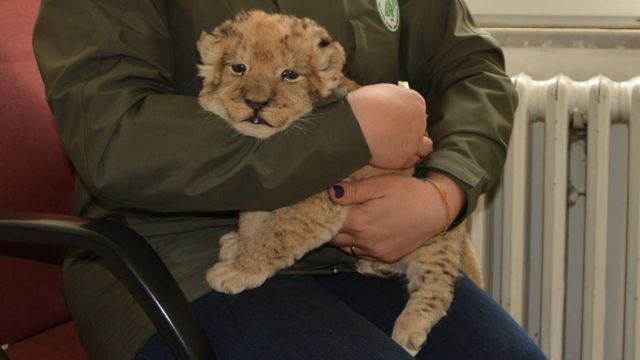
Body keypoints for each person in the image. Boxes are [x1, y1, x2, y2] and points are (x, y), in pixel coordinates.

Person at [33, 0, 545, 359]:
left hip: (359, 248)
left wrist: (444, 192)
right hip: (176, 254)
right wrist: (349, 134)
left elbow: (471, 70)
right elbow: (114, 138)